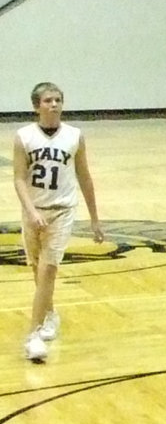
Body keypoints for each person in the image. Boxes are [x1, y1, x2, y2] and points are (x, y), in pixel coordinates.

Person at [13, 81, 104, 362]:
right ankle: (50, 313)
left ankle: (34, 335)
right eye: (48, 100)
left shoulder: (75, 136)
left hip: (63, 210)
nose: (54, 104)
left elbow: (85, 177)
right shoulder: (24, 137)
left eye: (58, 100)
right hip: (34, 210)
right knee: (36, 270)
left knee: (48, 271)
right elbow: (18, 178)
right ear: (36, 106)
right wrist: (31, 211)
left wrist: (94, 219)